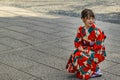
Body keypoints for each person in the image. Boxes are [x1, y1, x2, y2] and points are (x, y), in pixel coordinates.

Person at [66, 9, 106, 80]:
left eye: (92, 18)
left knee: (80, 55)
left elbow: (98, 46)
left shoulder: (97, 31)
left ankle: (96, 70)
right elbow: (77, 41)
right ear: (83, 19)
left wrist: (85, 49)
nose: (91, 21)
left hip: (97, 52)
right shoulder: (81, 29)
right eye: (88, 18)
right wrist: (80, 47)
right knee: (75, 53)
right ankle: (86, 70)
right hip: (87, 49)